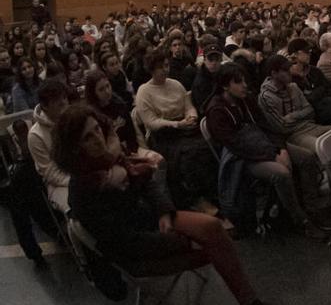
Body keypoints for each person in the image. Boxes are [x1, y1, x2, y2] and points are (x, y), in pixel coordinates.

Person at [52, 104, 268, 305]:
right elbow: (124, 242)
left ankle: (250, 301)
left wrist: (164, 211)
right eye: (87, 137)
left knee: (212, 229)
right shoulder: (84, 191)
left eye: (97, 129)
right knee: (214, 248)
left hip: (151, 223)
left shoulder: (109, 160)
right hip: (137, 254)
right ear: (74, 148)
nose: (98, 139)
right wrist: (179, 241)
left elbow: (148, 185)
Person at [205, 64, 329, 238]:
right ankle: (301, 221)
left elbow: (267, 127)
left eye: (244, 81)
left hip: (264, 145)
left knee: (306, 158)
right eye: (238, 82)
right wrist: (272, 155)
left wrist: (281, 149)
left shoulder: (246, 99)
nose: (245, 85)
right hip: (242, 158)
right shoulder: (216, 111)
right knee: (281, 173)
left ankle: (312, 208)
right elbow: (236, 145)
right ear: (225, 86)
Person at [135, 50, 215, 209]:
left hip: (183, 128)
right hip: (163, 134)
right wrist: (177, 124)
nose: (165, 69)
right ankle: (192, 198)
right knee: (189, 155)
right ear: (151, 70)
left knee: (207, 147)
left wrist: (191, 116)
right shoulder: (144, 91)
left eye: (166, 65)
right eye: (160, 67)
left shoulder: (176, 84)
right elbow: (151, 122)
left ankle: (210, 192)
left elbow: (188, 106)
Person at [1, 119, 58, 268]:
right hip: (25, 173)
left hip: (29, 170)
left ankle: (37, 249)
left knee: (24, 204)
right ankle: (38, 248)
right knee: (25, 202)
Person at [258, 55, 331, 153]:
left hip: (310, 126)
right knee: (326, 147)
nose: (290, 73)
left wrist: (292, 116)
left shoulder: (293, 87)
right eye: (285, 70)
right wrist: (302, 115)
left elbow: (310, 110)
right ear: (274, 73)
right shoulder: (266, 97)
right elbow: (282, 127)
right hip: (293, 135)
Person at [288, 38, 331, 125]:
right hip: (317, 115)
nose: (309, 53)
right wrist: (320, 91)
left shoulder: (313, 71)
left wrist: (316, 93)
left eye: (310, 50)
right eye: (306, 51)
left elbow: (329, 88)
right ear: (295, 54)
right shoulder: (290, 79)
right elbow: (305, 101)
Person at [27, 80, 71, 212]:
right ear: (45, 106)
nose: (64, 102)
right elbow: (51, 173)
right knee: (76, 208)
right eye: (57, 100)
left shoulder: (72, 118)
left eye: (64, 97)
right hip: (59, 183)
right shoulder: (35, 135)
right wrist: (77, 182)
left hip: (82, 172)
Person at [191, 43, 223, 115]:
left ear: (221, 60)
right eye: (210, 59)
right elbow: (203, 107)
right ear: (205, 60)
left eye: (217, 59)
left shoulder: (224, 73)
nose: (214, 63)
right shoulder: (200, 82)